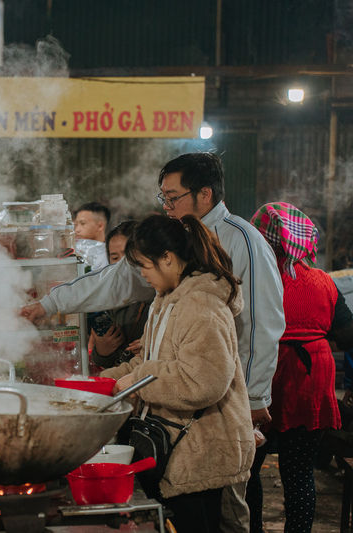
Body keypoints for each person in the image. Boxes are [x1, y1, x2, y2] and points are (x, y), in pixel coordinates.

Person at [20, 152, 285, 532]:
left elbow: (262, 324)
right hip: (183, 415)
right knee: (203, 506)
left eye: (173, 197)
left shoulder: (239, 241)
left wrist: (256, 397)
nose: (167, 206)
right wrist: (48, 305)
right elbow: (114, 282)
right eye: (164, 198)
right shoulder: (170, 269)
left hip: (225, 404)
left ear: (205, 194)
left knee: (230, 508)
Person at [102, 214, 255, 532]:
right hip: (175, 445)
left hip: (202, 451)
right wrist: (104, 381)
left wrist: (139, 381)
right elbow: (147, 360)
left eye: (144, 265)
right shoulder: (165, 300)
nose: (143, 275)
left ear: (167, 259)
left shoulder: (201, 307)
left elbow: (203, 381)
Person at [245, 203, 353, 533]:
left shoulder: (255, 280)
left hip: (263, 378)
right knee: (299, 472)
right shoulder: (324, 282)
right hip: (311, 378)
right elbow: (348, 335)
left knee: (247, 469)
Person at [89, 221, 151, 369]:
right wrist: (103, 352)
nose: (121, 265)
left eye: (127, 256)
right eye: (115, 258)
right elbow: (105, 362)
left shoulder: (160, 294)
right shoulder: (111, 299)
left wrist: (153, 347)